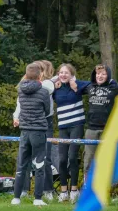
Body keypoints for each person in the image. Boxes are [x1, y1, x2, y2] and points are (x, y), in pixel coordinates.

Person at [13, 60, 56, 201]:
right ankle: (38, 198)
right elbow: (46, 110)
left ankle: (16, 198)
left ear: (26, 75)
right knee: (39, 165)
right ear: (40, 76)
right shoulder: (43, 91)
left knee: (21, 165)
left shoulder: (20, 90)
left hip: (24, 131)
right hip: (38, 131)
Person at [52, 63, 91, 203]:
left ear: (72, 75)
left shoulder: (78, 85)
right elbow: (42, 84)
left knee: (73, 157)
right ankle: (64, 191)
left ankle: (74, 190)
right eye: (61, 72)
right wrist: (54, 81)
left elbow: (94, 84)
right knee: (62, 159)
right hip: (63, 127)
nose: (63, 75)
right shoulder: (55, 87)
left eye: (66, 73)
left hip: (76, 125)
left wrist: (75, 84)